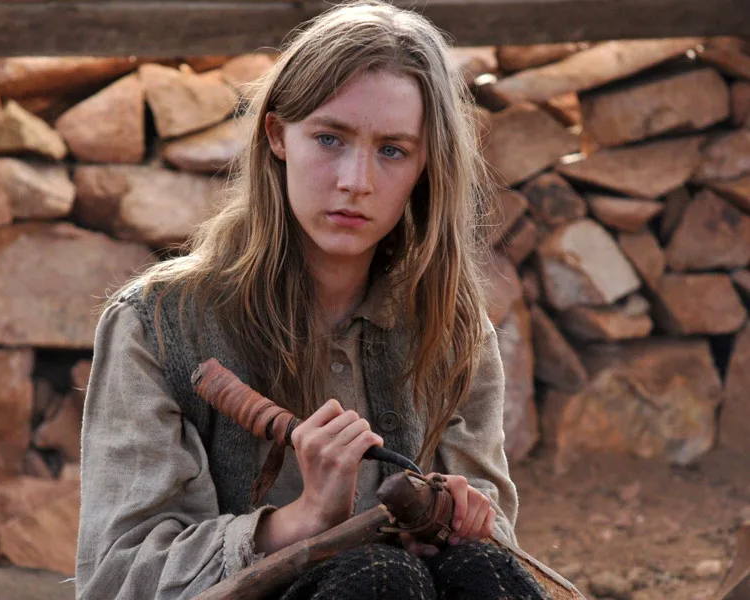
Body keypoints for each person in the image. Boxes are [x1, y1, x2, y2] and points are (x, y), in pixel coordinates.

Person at [76, 2, 549, 598]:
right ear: (277, 135)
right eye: (330, 139)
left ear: (426, 165)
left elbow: (495, 530)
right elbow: (117, 574)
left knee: (482, 570)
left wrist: (460, 522)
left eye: (393, 150)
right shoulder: (156, 326)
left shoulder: (453, 331)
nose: (357, 181)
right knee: (380, 577)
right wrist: (300, 524)